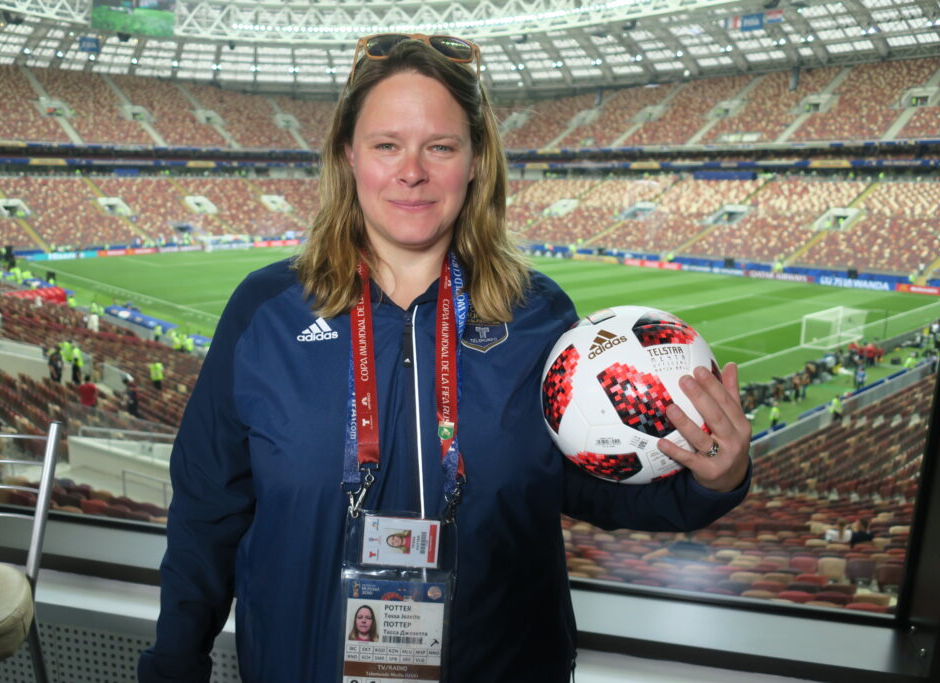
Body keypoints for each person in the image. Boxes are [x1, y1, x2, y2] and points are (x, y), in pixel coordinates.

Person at [138, 34, 751, 683]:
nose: (411, 171)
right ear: (349, 156)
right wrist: (175, 661)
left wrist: (708, 479)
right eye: (386, 145)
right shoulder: (265, 312)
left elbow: (578, 481)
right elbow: (207, 511)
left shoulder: (538, 317)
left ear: (478, 161)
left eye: (440, 146)